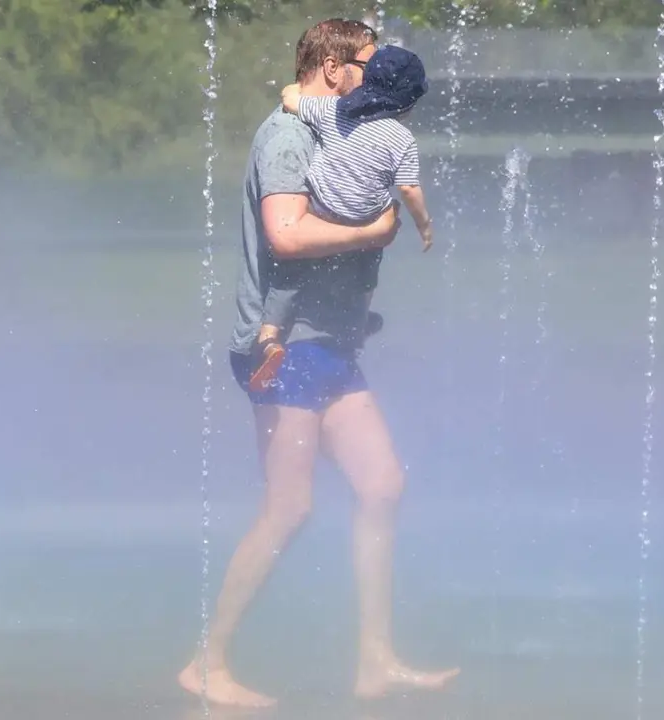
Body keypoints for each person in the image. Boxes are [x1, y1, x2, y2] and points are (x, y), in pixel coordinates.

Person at [177, 18, 459, 708]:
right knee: (289, 508)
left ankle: (375, 660)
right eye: (369, 62)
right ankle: (206, 662)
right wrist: (370, 231)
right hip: (283, 346)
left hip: (329, 342)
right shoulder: (286, 137)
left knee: (383, 485)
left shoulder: (343, 127)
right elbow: (286, 232)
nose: (378, 73)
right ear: (333, 70)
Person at [248, 44, 434, 391]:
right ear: (408, 103)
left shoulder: (334, 111)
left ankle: (270, 337)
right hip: (364, 216)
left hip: (323, 207)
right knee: (368, 263)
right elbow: (409, 189)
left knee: (289, 277)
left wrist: (291, 90)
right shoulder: (402, 139)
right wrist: (424, 224)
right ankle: (357, 320)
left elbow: (293, 101)